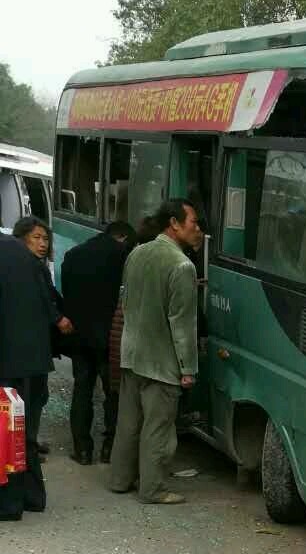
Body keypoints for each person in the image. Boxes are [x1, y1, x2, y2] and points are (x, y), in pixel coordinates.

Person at [109, 199, 202, 505]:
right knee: (158, 428)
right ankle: (153, 488)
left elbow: (126, 301)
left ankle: (120, 480)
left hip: (131, 353)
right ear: (174, 224)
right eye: (193, 223)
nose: (198, 229)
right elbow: (182, 325)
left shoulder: (137, 253)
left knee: (129, 423)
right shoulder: (182, 266)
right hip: (162, 362)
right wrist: (188, 368)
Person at [60, 220, 135, 465]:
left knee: (82, 389)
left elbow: (67, 295)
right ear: (122, 237)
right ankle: (109, 448)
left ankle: (82, 450)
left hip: (79, 336)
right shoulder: (122, 255)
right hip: (109, 339)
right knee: (112, 392)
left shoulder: (72, 255)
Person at [0, 233, 57, 519]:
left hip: (5, 364)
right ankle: (32, 496)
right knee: (23, 432)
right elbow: (48, 302)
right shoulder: (22, 253)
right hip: (31, 363)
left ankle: (9, 504)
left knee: (5, 436)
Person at [12, 216, 73, 459]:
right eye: (36, 238)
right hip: (30, 346)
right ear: (21, 239)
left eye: (45, 238)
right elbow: (43, 299)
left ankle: (30, 442)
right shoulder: (29, 266)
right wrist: (58, 318)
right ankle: (26, 447)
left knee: (36, 395)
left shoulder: (35, 265)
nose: (42, 244)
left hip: (35, 345)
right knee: (31, 396)